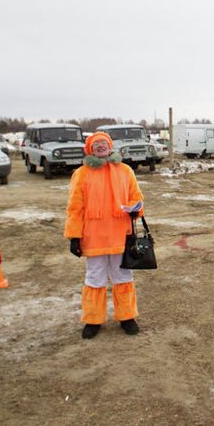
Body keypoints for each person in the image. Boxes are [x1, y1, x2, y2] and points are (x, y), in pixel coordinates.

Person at [64, 132, 144, 339]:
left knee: (123, 276)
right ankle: (93, 319)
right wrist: (74, 236)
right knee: (95, 278)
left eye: (104, 143)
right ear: (89, 149)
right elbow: (75, 208)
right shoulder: (81, 174)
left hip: (120, 235)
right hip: (93, 238)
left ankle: (127, 317)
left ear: (110, 146)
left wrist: (136, 210)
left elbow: (136, 197)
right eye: (96, 144)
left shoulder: (125, 170)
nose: (100, 147)